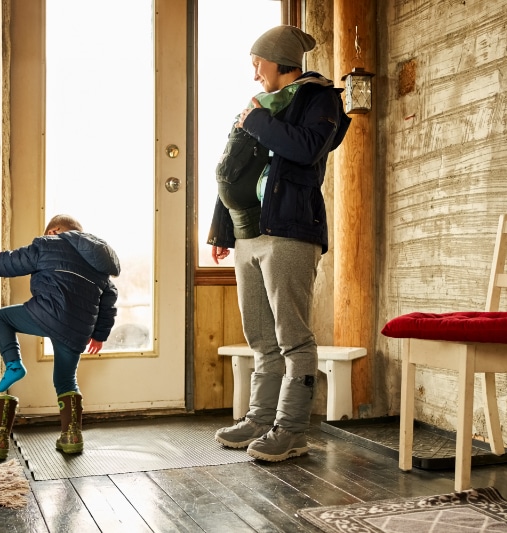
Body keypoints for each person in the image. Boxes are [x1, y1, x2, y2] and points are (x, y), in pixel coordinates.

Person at [209, 25, 351, 461]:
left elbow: (307, 148)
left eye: (258, 64)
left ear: (277, 60)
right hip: (249, 234)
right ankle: (259, 418)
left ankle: (291, 430)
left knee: (292, 335)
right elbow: (234, 170)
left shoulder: (318, 98)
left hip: (291, 229)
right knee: (259, 334)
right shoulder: (262, 107)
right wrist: (221, 230)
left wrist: (256, 120)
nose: (255, 75)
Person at [0, 214, 120, 459]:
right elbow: (109, 302)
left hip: (46, 315)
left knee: (0, 318)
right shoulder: (100, 264)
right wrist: (99, 335)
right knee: (66, 381)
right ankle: (72, 437)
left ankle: (13, 366)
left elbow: (13, 263)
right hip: (77, 330)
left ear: (54, 230)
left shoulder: (47, 243)